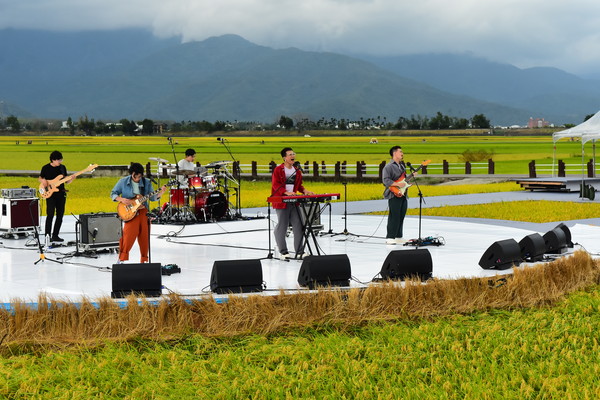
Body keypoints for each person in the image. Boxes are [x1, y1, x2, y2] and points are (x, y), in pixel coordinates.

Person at [111, 163, 167, 263]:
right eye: (135, 176)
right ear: (132, 174)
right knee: (128, 236)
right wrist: (122, 199)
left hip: (143, 212)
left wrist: (161, 192)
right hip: (130, 212)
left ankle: (144, 260)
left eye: (140, 176)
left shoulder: (146, 182)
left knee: (144, 237)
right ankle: (121, 259)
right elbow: (113, 193)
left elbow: (153, 198)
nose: (137, 179)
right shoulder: (123, 182)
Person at [271, 147, 314, 260]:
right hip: (282, 201)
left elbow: (299, 185)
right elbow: (276, 185)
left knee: (299, 225)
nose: (292, 156)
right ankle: (283, 251)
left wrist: (305, 191)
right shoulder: (278, 170)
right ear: (284, 158)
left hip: (294, 201)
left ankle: (300, 251)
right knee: (283, 225)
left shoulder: (297, 170)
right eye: (290, 154)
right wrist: (285, 193)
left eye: (293, 154)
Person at [38, 150, 75, 243]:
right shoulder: (45, 168)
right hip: (50, 194)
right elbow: (41, 178)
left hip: (61, 194)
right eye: (58, 160)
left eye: (61, 159)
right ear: (53, 160)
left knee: (60, 215)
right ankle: (47, 235)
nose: (60, 162)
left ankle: (55, 235)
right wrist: (43, 181)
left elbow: (66, 181)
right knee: (50, 215)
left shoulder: (62, 168)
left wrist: (72, 179)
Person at [382, 145, 412, 245]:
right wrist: (398, 184)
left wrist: (408, 182)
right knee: (394, 215)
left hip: (403, 194)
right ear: (394, 153)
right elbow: (386, 180)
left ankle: (398, 236)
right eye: (400, 152)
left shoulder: (402, 166)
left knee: (401, 215)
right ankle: (390, 237)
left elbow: (403, 180)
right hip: (393, 194)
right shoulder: (388, 166)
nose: (402, 154)